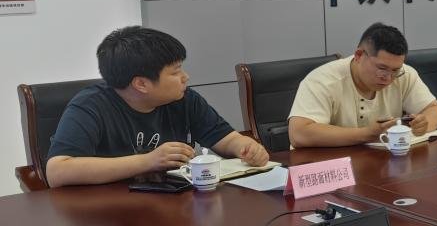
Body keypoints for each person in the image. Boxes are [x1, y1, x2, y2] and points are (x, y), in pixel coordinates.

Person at [45, 26, 269, 188]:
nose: (185, 77)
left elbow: (225, 139)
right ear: (141, 84)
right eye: (175, 72)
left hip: (175, 206)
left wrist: (247, 148)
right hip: (109, 219)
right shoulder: (91, 105)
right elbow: (58, 171)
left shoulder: (184, 99)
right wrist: (148, 161)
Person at [289, 22, 437, 147]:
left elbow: (435, 110)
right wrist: (367, 134)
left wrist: (424, 124)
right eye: (382, 68)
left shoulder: (404, 74)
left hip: (383, 163)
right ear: (359, 55)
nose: (388, 78)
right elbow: (299, 133)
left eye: (395, 70)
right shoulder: (323, 80)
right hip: (330, 166)